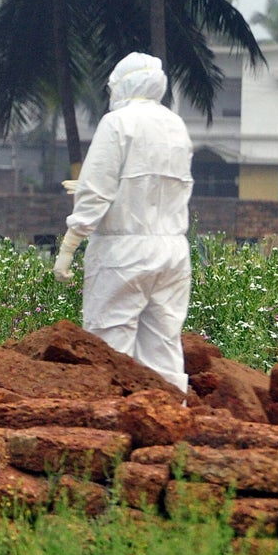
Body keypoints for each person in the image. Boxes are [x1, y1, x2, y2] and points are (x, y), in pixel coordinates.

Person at [52, 52, 193, 394]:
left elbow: (97, 192)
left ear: (121, 84)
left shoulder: (118, 123)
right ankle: (172, 423)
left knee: (108, 344)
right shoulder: (175, 124)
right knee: (163, 345)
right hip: (172, 250)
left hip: (122, 251)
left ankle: (111, 425)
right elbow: (160, 185)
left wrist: (69, 245)